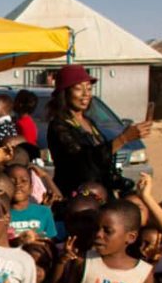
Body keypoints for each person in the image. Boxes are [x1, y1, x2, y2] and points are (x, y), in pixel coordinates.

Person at [46, 65, 150, 195]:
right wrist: (124, 138)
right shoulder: (59, 126)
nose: (86, 94)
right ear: (64, 93)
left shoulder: (89, 122)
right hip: (78, 197)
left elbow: (101, 161)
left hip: (102, 193)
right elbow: (83, 163)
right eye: (78, 89)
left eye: (89, 88)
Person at [8, 164, 57, 240]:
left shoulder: (44, 211)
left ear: (31, 188)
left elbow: (50, 240)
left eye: (23, 181)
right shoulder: (0, 213)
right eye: (12, 181)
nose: (18, 184)